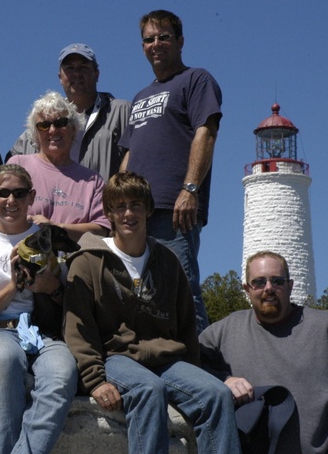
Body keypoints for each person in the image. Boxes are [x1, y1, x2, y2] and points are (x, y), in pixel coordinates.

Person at [63, 171, 241, 454]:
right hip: (115, 357)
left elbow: (186, 327)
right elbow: (78, 328)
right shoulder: (87, 260)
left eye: (135, 205)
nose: (128, 213)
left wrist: (194, 375)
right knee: (149, 389)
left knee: (216, 394)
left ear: (148, 210)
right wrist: (94, 380)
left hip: (166, 359)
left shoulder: (167, 262)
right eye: (119, 207)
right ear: (109, 213)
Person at [200, 251, 328, 454]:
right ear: (247, 288)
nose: (269, 288)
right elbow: (187, 366)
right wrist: (223, 380)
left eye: (277, 281)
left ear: (290, 286)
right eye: (259, 282)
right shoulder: (224, 332)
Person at [119, 9, 223, 333]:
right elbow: (129, 155)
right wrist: (116, 201)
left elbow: (206, 133)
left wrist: (189, 189)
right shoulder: (138, 97)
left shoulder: (196, 80)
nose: (156, 44)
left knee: (182, 292)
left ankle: (205, 372)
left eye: (164, 37)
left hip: (174, 209)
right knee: (141, 296)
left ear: (180, 41)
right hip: (136, 213)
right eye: (149, 39)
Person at [0, 164, 77, 454]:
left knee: (62, 372)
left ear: (31, 197)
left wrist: (50, 286)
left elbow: (73, 305)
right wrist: (14, 285)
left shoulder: (50, 238)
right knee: (4, 361)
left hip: (43, 332)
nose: (11, 201)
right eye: (2, 193)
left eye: (19, 193)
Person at [7, 43, 130, 181]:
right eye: (69, 68)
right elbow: (8, 169)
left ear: (97, 74)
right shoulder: (43, 121)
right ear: (60, 77)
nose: (76, 73)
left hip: (102, 200)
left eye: (83, 67)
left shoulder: (122, 111)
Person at [8, 91, 110, 241]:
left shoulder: (92, 180)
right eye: (44, 125)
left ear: (74, 128)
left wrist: (56, 228)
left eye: (60, 123)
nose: (53, 130)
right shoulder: (17, 166)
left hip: (76, 262)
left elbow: (102, 229)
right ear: (35, 132)